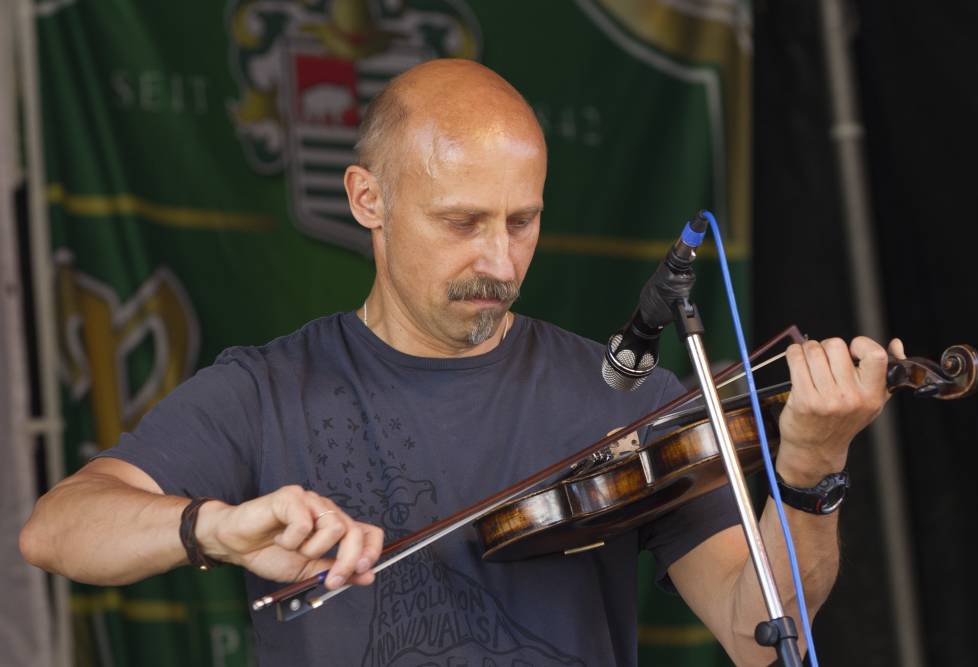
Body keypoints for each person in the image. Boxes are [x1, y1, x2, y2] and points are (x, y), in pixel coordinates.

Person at [20, 59, 903, 666]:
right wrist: (211, 528)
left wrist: (810, 467)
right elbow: (55, 529)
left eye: (523, 220)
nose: (500, 261)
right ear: (368, 198)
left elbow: (758, 635)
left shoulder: (626, 398)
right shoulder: (267, 388)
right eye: (462, 222)